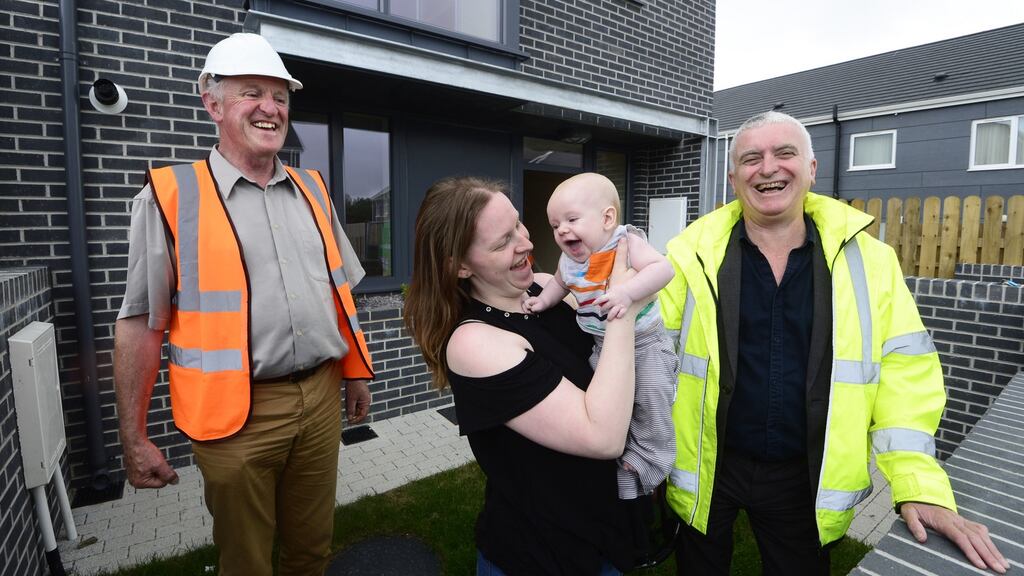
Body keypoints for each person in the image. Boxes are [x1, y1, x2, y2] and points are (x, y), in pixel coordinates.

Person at [660, 110, 1009, 575]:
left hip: (804, 476)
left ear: (811, 169)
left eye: (785, 153)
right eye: (751, 158)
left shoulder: (872, 261)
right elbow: (647, 350)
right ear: (732, 177)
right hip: (707, 465)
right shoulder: (686, 255)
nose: (768, 168)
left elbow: (905, 374)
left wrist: (919, 486)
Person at [113, 33, 374, 576]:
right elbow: (140, 324)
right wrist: (134, 438)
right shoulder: (169, 195)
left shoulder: (314, 189)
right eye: (251, 92)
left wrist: (356, 373)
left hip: (321, 399)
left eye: (280, 97)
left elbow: (340, 295)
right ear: (213, 104)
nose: (270, 108)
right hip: (236, 419)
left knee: (311, 549)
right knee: (247, 562)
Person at [403, 176, 648, 575]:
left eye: (518, 224)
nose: (527, 243)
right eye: (502, 242)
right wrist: (626, 305)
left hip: (602, 526)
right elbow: (601, 436)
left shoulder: (544, 287)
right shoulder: (474, 343)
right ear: (460, 266)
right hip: (543, 550)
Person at [523, 172, 677, 499]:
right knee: (611, 405)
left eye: (572, 219)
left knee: (650, 397)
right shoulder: (569, 261)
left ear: (607, 218)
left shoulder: (625, 242)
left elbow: (663, 269)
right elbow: (559, 285)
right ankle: (625, 460)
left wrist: (626, 293)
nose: (562, 230)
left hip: (644, 344)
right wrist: (542, 300)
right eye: (555, 225)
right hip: (602, 344)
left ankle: (650, 461)